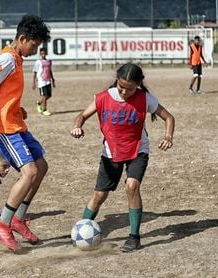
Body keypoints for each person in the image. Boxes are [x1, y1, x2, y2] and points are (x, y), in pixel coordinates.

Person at [70, 63, 175, 252]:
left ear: (139, 85)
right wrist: (78, 125)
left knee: (132, 186)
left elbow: (169, 117)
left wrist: (168, 136)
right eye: (121, 87)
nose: (125, 92)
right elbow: (82, 115)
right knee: (99, 195)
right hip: (111, 153)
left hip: (138, 150)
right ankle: (82, 230)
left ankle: (134, 237)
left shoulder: (145, 99)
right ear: (116, 80)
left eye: (130, 89)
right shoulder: (103, 97)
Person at [0, 15, 51, 252]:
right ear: (22, 38)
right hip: (2, 127)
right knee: (30, 172)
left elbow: (2, 92)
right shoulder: (6, 59)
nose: (34, 50)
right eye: (33, 45)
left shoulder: (16, 58)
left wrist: (16, 107)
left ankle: (18, 218)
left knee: (41, 167)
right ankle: (2, 223)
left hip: (14, 122)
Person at [32, 47, 55, 116]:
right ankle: (44, 109)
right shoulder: (38, 62)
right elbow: (35, 72)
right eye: (41, 54)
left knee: (49, 95)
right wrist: (34, 82)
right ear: (40, 54)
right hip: (41, 81)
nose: (43, 55)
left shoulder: (49, 61)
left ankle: (39, 103)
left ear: (46, 54)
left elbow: (50, 70)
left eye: (44, 54)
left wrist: (53, 79)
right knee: (44, 95)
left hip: (48, 80)